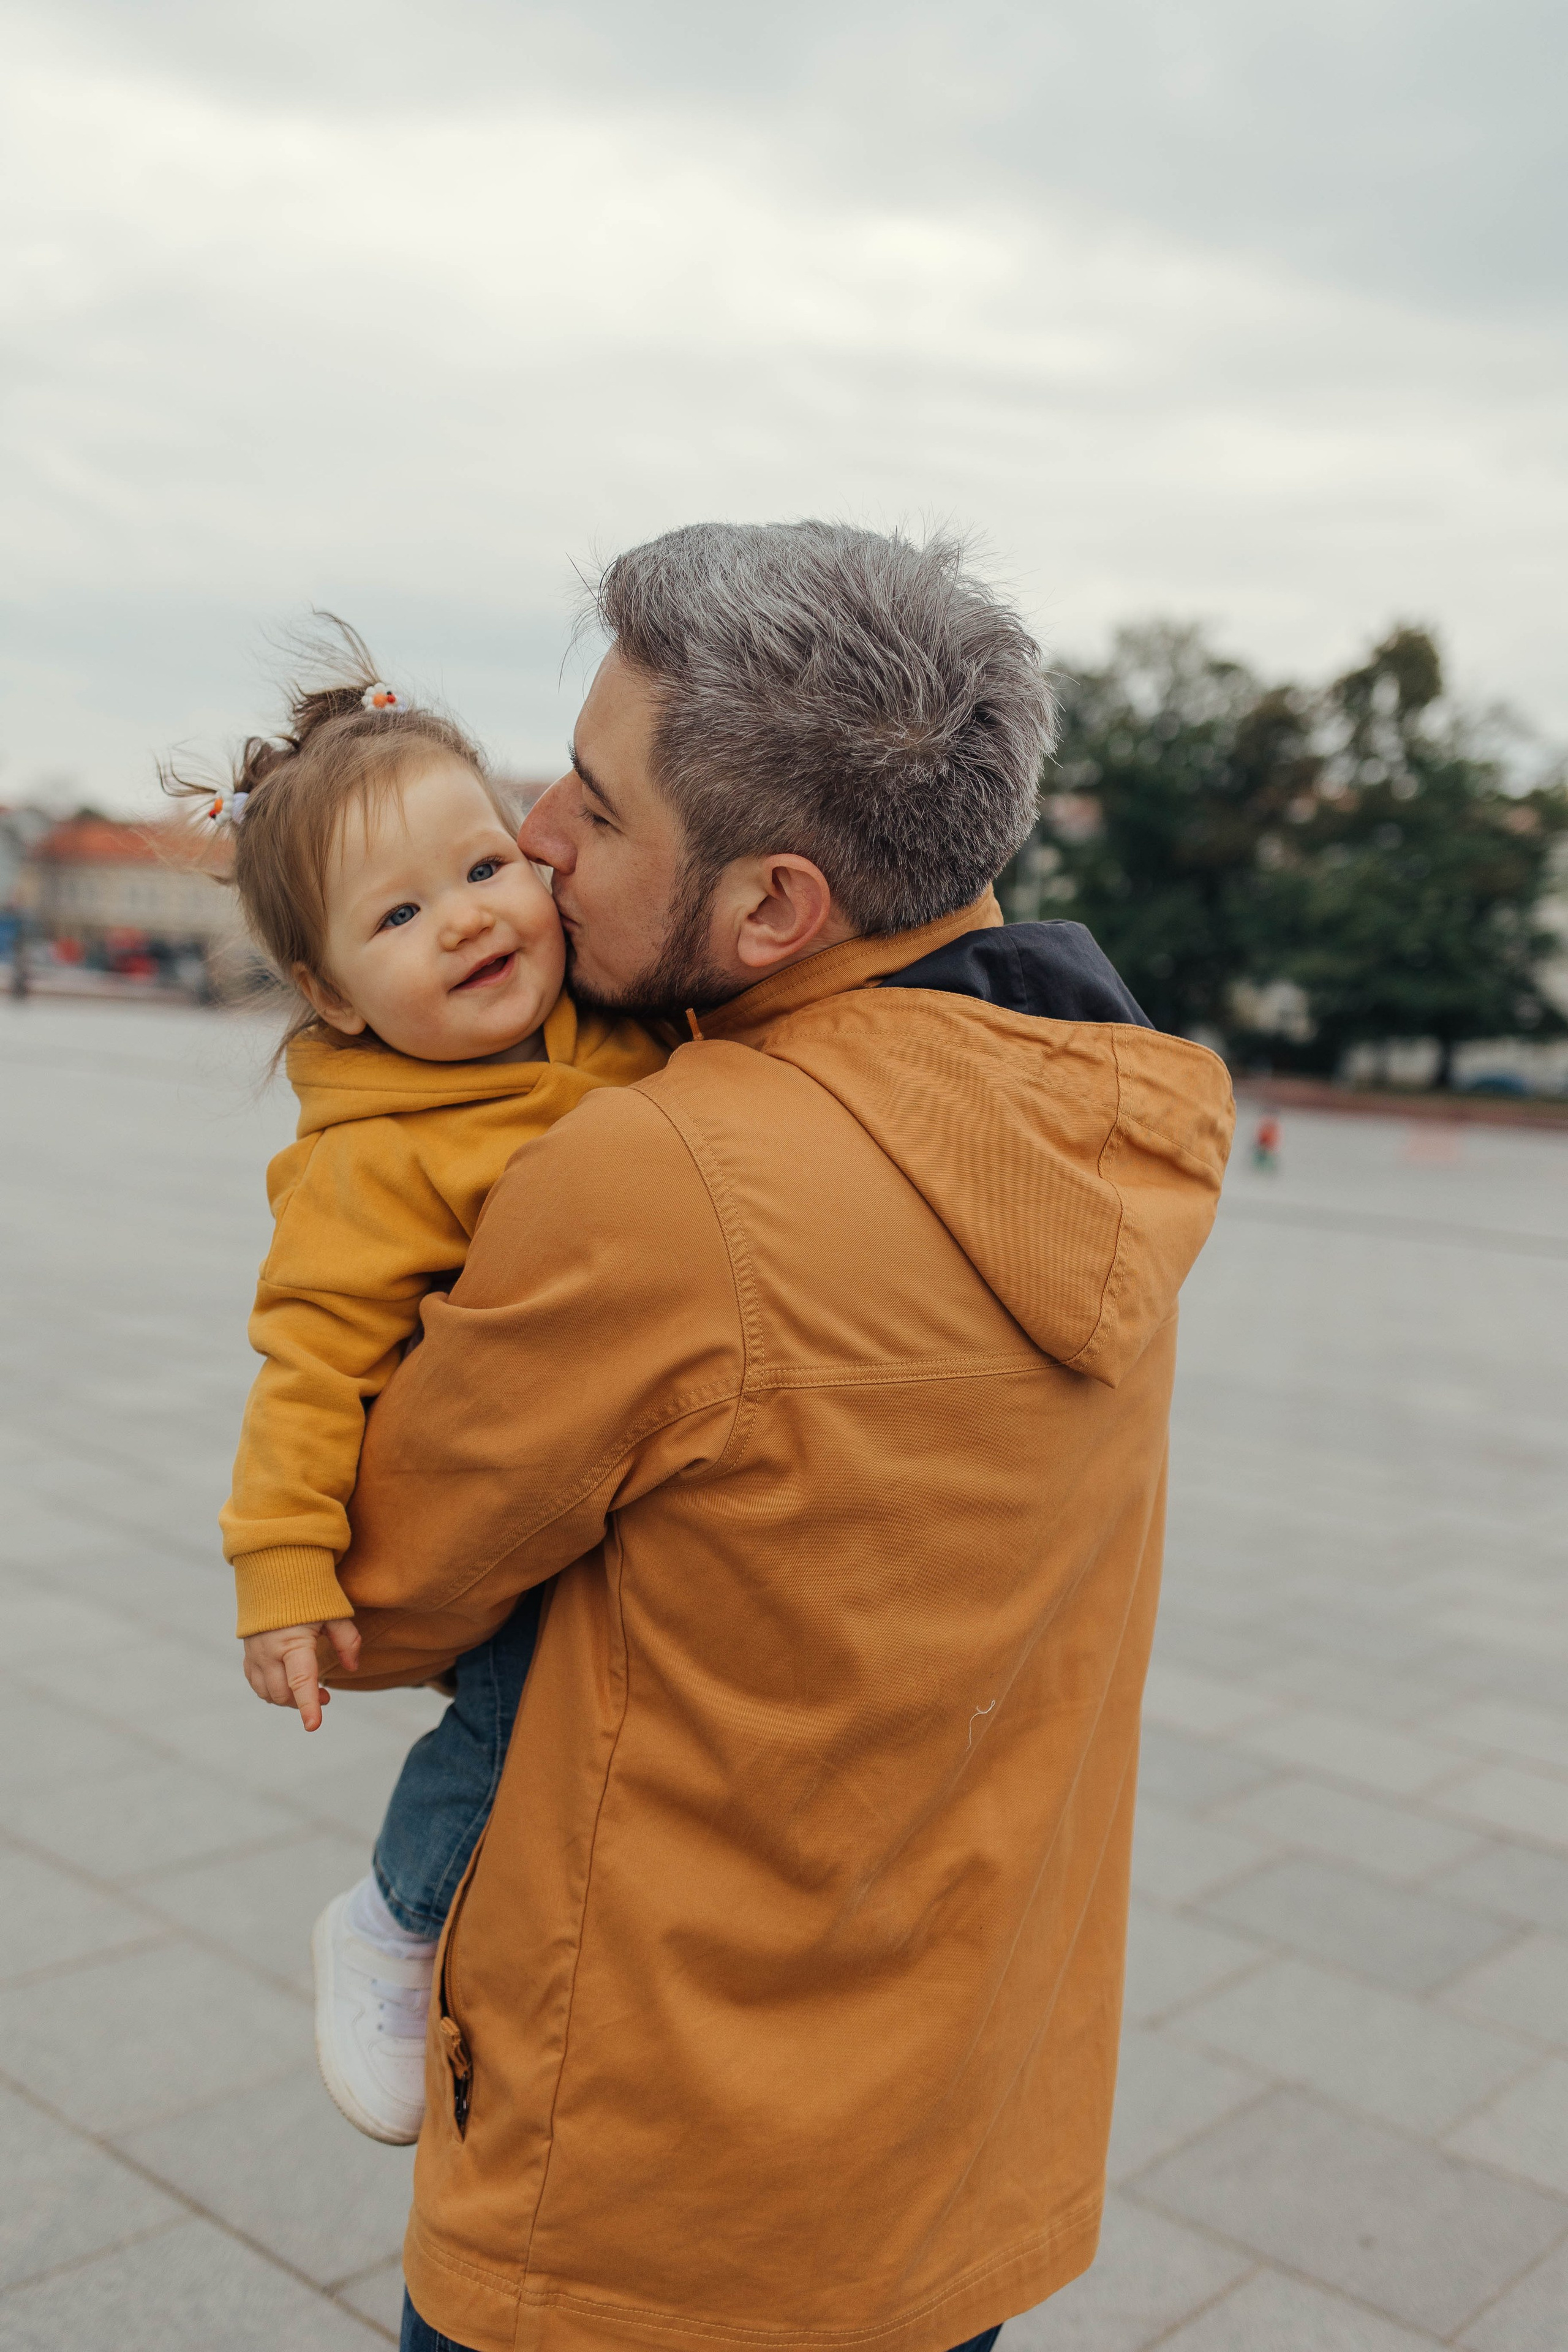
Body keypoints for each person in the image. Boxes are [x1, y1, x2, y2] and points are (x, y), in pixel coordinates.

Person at [324, 523, 1235, 2352]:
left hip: (653, 2201)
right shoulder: (1096, 1118)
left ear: (771, 912)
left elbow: (381, 1597)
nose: (537, 835)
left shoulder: (668, 1174)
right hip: (946, 2166)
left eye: (595, 805)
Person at [169, 633, 664, 2144]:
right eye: (398, 914)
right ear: (327, 991)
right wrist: (277, 1570)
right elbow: (308, 1366)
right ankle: (393, 1910)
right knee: (519, 1726)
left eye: (482, 869)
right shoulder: (370, 1159)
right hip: (488, 1520)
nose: (464, 922)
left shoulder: (611, 1027)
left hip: (624, 1470)